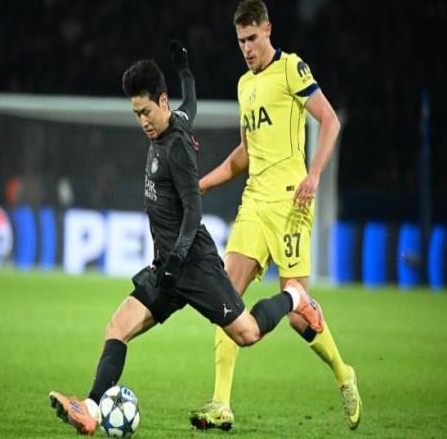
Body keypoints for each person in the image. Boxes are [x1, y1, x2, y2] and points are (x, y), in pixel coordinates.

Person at [49, 41, 324, 436]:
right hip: (168, 266)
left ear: (162, 102)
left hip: (193, 263)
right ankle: (90, 408)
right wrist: (185, 71)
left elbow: (193, 212)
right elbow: (190, 104)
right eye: (136, 114)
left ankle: (296, 298)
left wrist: (177, 259)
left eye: (146, 111)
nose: (142, 122)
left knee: (246, 333)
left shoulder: (177, 149)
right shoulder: (174, 119)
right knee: (118, 326)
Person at [189, 0, 362, 432]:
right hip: (254, 203)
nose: (247, 48)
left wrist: (314, 174)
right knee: (225, 297)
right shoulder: (243, 85)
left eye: (252, 38)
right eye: (240, 41)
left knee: (298, 313)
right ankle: (221, 403)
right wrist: (204, 184)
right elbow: (244, 155)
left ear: (268, 29)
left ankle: (343, 373)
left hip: (291, 204)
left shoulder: (291, 69)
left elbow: (330, 121)